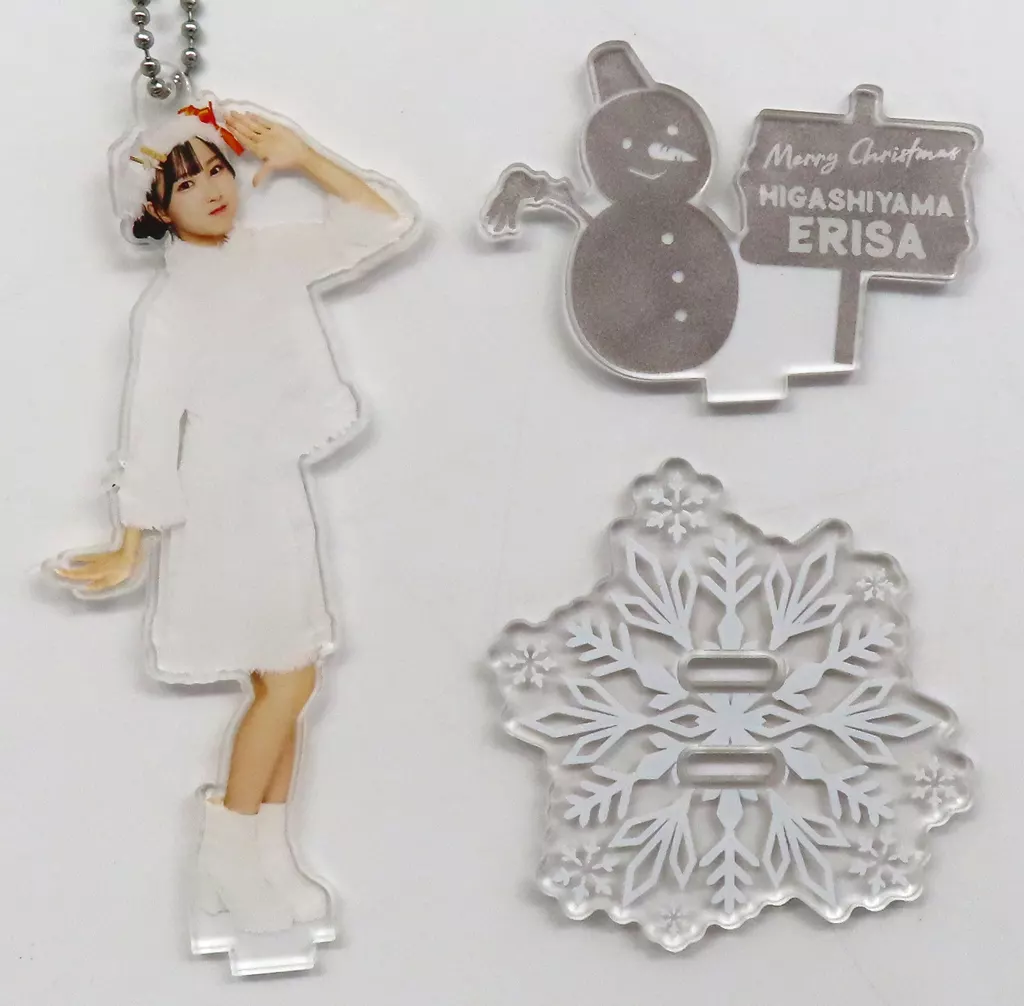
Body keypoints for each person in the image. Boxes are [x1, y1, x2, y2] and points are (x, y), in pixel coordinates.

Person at [53, 102, 418, 933]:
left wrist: (305, 154)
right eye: (186, 182)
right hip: (222, 500)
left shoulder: (271, 255)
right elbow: (150, 428)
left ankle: (265, 856)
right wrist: (132, 541)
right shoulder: (170, 307)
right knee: (288, 677)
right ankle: (227, 847)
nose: (213, 188)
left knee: (286, 675)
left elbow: (384, 221)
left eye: (217, 168)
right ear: (155, 207)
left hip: (273, 487)